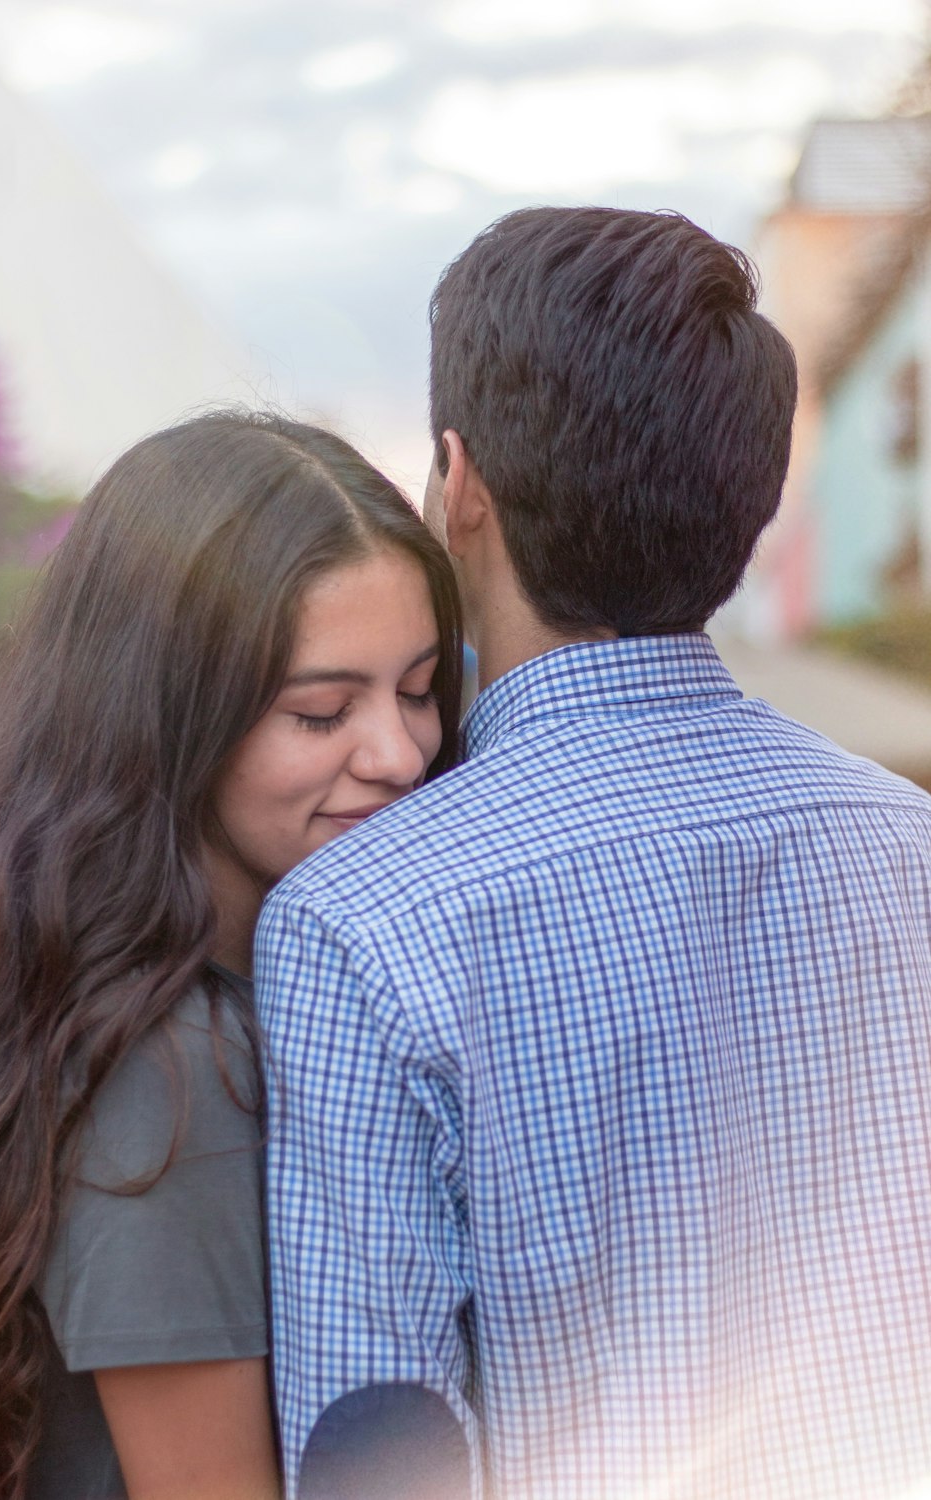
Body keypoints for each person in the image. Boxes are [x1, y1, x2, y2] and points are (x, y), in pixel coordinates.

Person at [256, 208, 931, 1500]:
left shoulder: (361, 921)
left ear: (459, 484)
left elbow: (378, 1456)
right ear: (753, 500)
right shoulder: (914, 851)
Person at [0, 409, 463, 1500]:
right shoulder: (166, 1070)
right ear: (170, 715)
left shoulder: (135, 973)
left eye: (419, 690)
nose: (398, 754)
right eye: (321, 711)